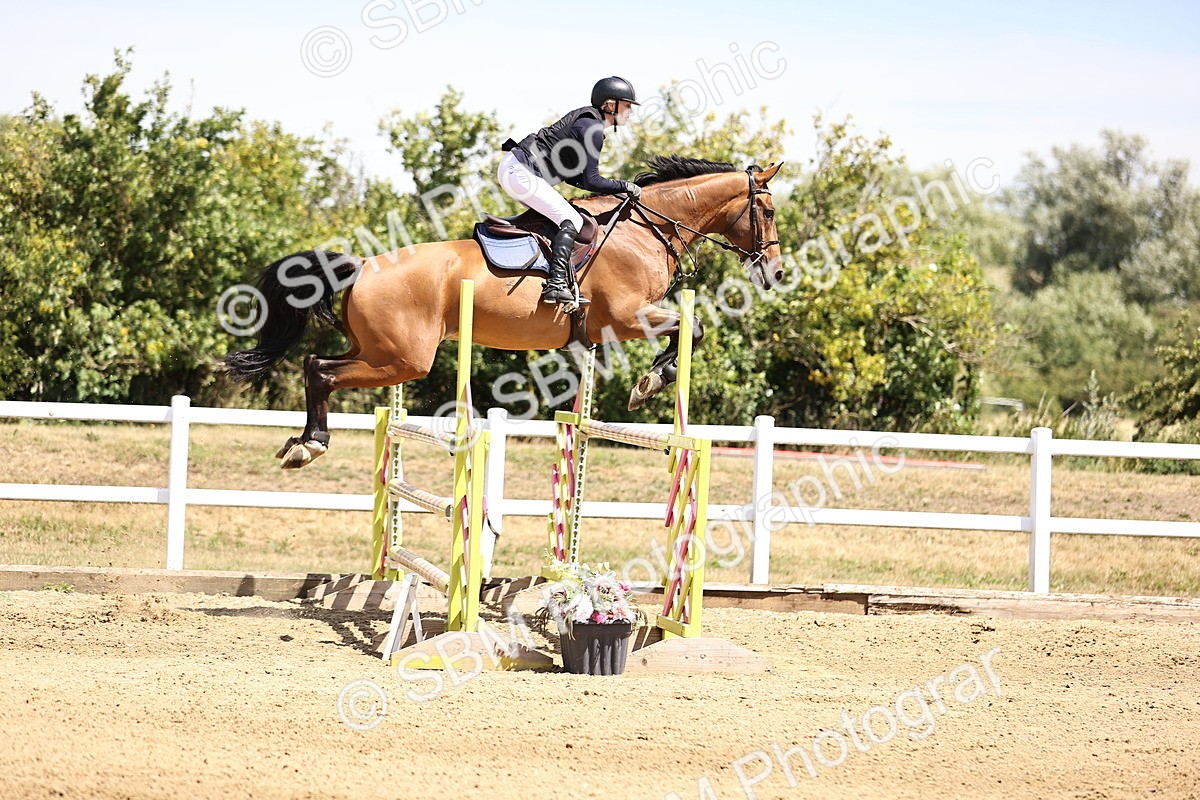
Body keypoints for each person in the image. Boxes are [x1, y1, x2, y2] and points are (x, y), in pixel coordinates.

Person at [497, 76, 643, 305]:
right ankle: (555, 286)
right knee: (571, 220)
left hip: (518, 169)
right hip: (520, 171)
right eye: (627, 105)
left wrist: (615, 190)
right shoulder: (591, 128)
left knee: (564, 215)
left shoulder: (590, 123)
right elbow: (593, 180)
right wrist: (624, 186)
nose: (630, 112)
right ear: (610, 104)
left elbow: (581, 179)